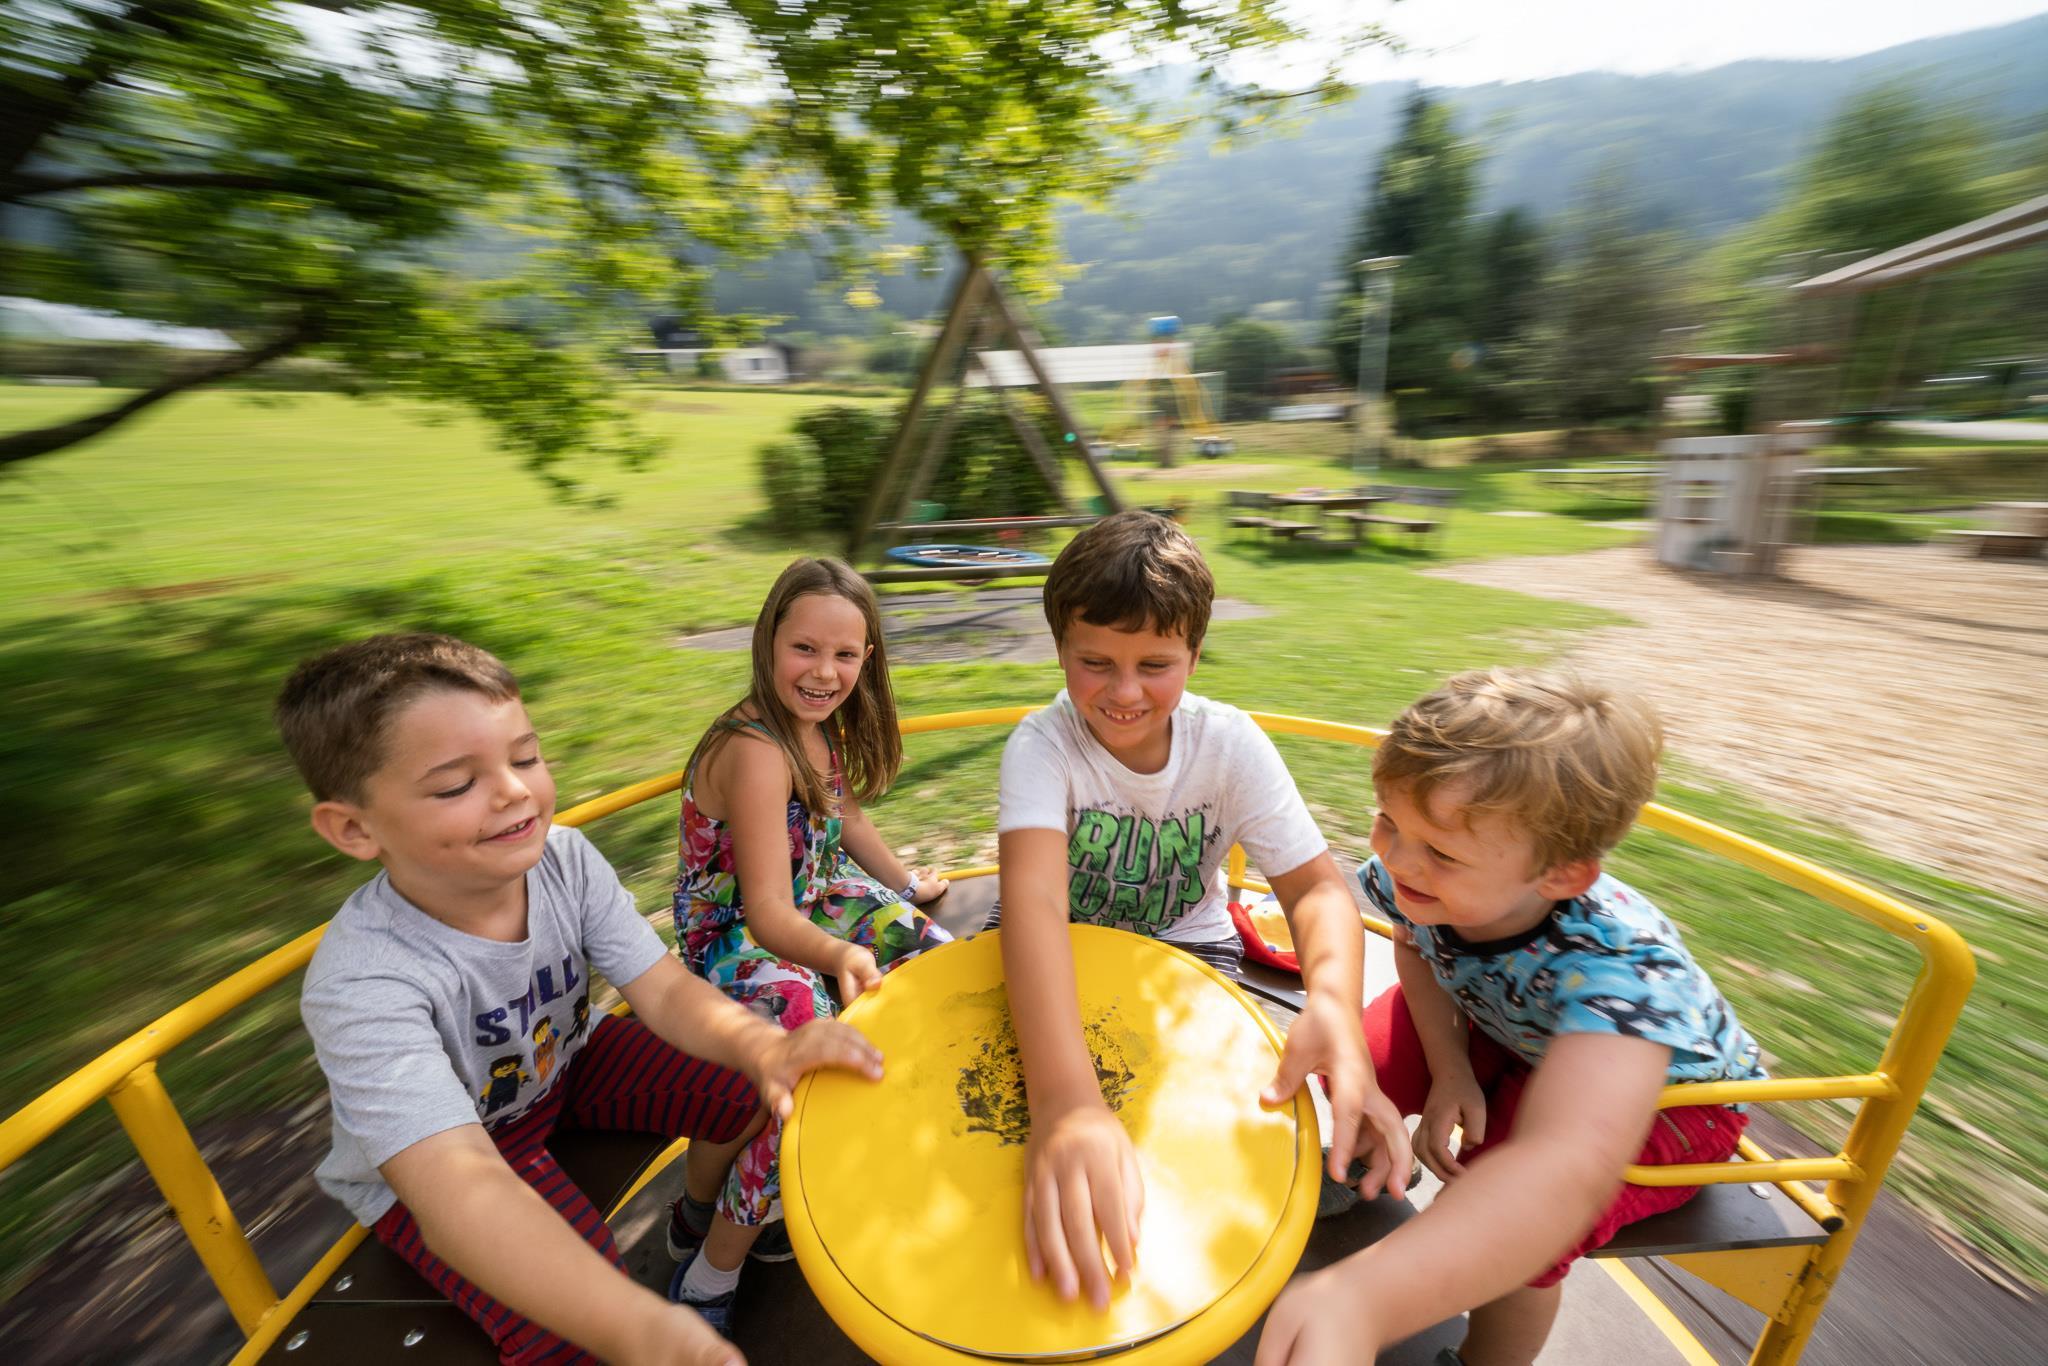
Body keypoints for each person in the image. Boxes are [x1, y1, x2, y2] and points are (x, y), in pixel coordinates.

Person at [278, 632, 882, 1366]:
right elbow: (459, 1194)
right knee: (575, 1318)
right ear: (354, 828)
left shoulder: (563, 859)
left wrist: (766, 1048)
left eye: (525, 757)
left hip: (566, 1061)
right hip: (461, 1150)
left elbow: (664, 989)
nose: (513, 791)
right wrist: (639, 1329)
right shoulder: (364, 981)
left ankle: (694, 1219)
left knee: (758, 1085)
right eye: (455, 785)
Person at [1256, 670, 1766, 1366]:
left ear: (1561, 876)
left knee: (1519, 1228)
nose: (1394, 857)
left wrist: (1367, 1298)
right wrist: (1449, 1068)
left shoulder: (1627, 970)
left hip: (1668, 1102)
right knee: (1360, 1056)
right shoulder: (1422, 880)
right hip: (1509, 1025)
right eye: (1387, 821)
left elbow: (1564, 1167)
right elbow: (1417, 947)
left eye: (1440, 850)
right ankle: (1358, 1166)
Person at [996, 510, 1413, 1311]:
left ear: (1193, 655)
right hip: (1061, 949)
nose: (1124, 691)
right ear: (1060, 649)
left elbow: (1317, 891)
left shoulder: (1230, 744)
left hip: (1188, 954)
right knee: (1009, 1110)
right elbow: (1035, 905)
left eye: (1155, 665)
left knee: (1216, 1124)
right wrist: (1065, 1102)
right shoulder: (1042, 746)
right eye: (1095, 662)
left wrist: (1333, 1005)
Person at [670, 557, 952, 1312]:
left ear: (867, 657)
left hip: (815, 894)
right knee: (810, 1064)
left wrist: (904, 887)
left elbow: (843, 815)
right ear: (769, 640)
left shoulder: (814, 728)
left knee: (940, 964)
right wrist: (842, 954)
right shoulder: (756, 750)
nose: (825, 672)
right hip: (739, 930)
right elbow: (767, 913)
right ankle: (712, 1267)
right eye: (805, 648)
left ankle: (888, 1147)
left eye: (844, 654)